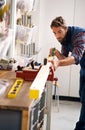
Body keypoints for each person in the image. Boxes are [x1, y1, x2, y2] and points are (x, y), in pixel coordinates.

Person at [49, 16, 85, 130]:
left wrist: (58, 63)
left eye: (59, 31)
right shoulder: (63, 39)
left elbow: (75, 58)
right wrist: (56, 53)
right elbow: (64, 58)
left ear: (66, 29)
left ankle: (80, 127)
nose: (57, 36)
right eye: (54, 33)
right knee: (83, 97)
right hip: (84, 67)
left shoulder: (80, 35)